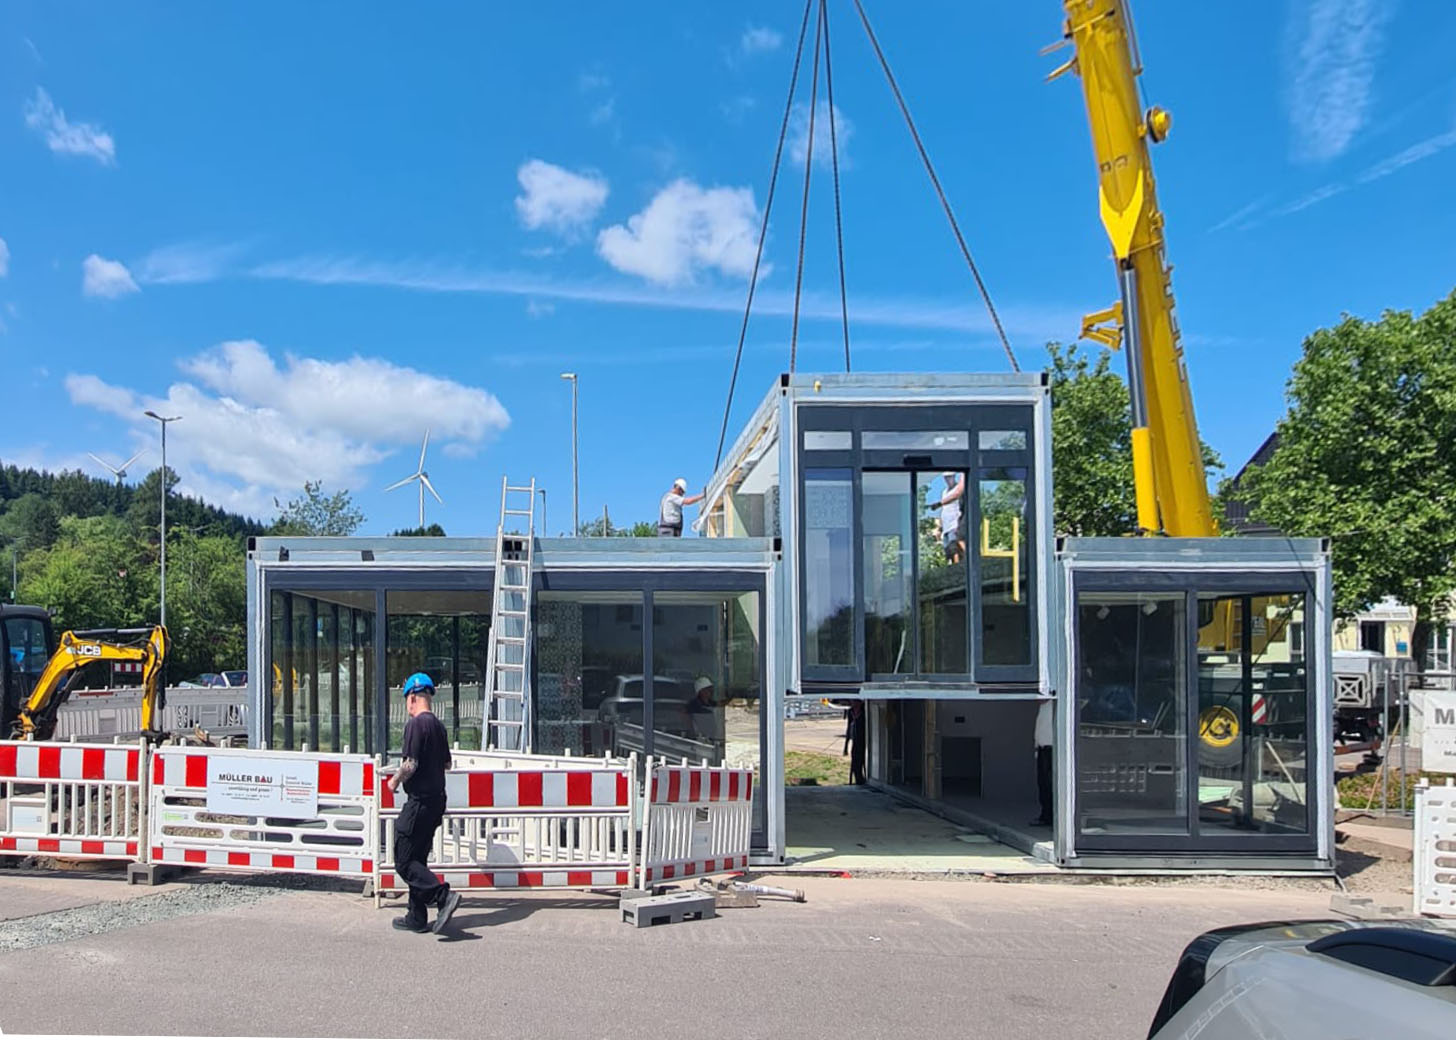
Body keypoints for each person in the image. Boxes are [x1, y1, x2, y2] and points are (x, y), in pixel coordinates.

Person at [390, 672, 462, 934]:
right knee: (417, 857)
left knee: (404, 860)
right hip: (436, 801)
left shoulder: (416, 725)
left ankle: (443, 897)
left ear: (411, 698)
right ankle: (416, 916)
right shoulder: (439, 727)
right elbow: (447, 764)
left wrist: (394, 781)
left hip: (419, 801)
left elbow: (410, 764)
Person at [935, 472, 966, 564]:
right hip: (946, 526)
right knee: (949, 549)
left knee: (955, 546)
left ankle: (959, 564)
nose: (948, 480)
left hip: (954, 524)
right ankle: (953, 564)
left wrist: (958, 524)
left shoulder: (958, 489)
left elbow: (958, 507)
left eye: (950, 477)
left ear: (954, 477)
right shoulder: (945, 492)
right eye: (946, 478)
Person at [1032, 698, 1053, 827]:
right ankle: (1045, 815)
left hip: (1052, 748)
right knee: (1043, 783)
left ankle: (1052, 816)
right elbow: (1039, 730)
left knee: (1050, 784)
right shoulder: (1043, 708)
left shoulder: (1054, 705)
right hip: (1042, 747)